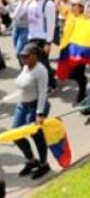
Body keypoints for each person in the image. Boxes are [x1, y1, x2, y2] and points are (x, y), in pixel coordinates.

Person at [11, 42, 51, 179]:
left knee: (36, 136)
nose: (23, 59)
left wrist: (40, 113)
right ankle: (31, 161)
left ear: (35, 56)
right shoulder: (26, 66)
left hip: (35, 107)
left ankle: (44, 164)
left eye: (26, 56)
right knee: (15, 134)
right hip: (22, 105)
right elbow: (22, 84)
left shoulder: (41, 71)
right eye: (22, 56)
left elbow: (42, 93)